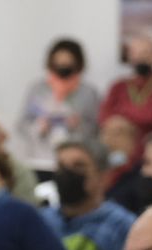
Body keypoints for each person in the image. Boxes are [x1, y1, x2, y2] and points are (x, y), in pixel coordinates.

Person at [38, 140, 136, 250]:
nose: (67, 174)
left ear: (103, 177)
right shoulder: (41, 220)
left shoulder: (122, 226)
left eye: (79, 166)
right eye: (61, 166)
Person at [19, 38, 102, 174]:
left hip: (75, 159)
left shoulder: (88, 92)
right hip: (41, 159)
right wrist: (39, 127)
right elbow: (22, 124)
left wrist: (78, 125)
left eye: (68, 63)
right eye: (59, 63)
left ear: (77, 64)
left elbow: (96, 127)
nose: (63, 67)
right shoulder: (38, 89)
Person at [100, 34, 152, 148]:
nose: (141, 58)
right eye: (136, 54)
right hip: (120, 148)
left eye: (145, 53)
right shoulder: (118, 86)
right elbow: (104, 117)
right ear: (130, 57)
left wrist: (123, 120)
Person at [102, 115, 148, 213]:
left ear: (132, 139)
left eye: (117, 134)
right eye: (105, 132)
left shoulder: (142, 171)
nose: (109, 139)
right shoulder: (100, 168)